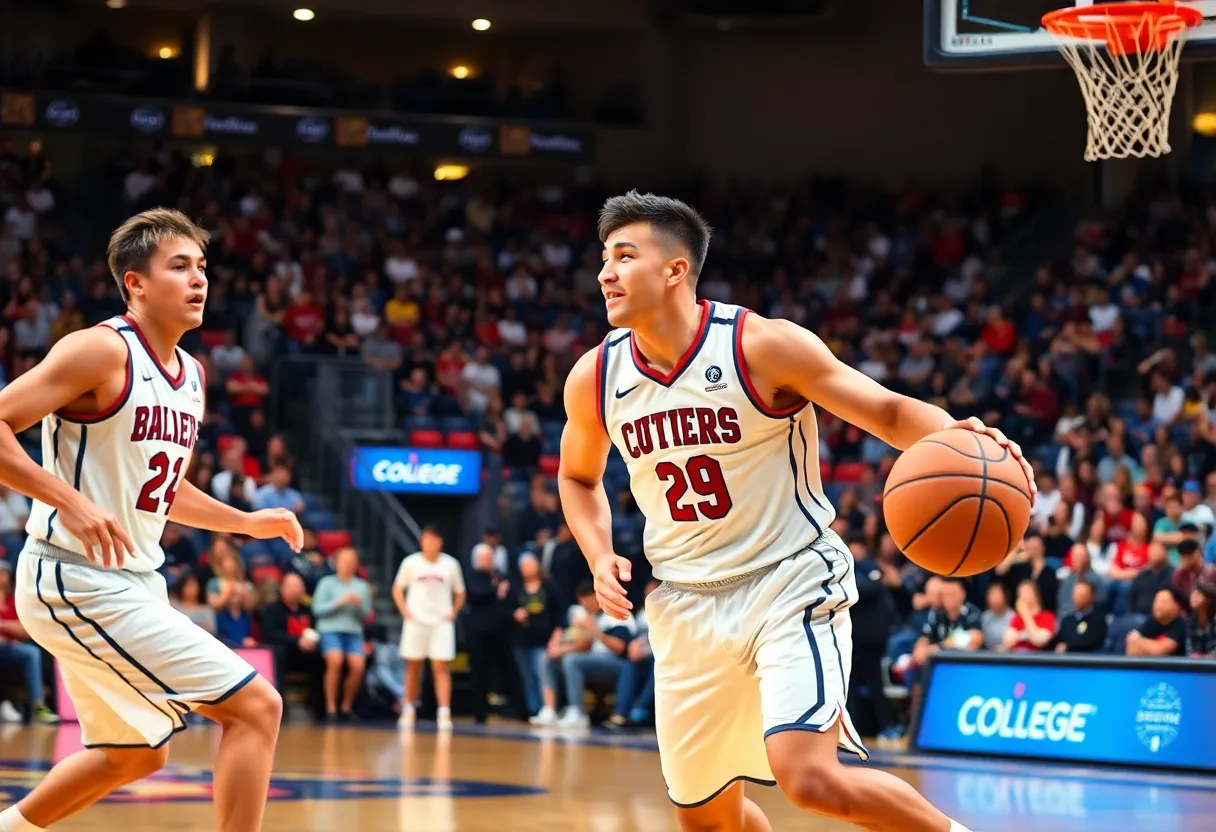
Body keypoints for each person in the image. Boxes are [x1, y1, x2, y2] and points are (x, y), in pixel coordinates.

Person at [557, 192, 1034, 832]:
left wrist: (960, 437)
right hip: (683, 600)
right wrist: (597, 553)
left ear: (674, 270)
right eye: (603, 259)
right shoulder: (594, 376)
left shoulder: (761, 346)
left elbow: (888, 412)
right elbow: (577, 475)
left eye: (623, 256)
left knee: (808, 776)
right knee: (706, 819)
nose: (605, 274)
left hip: (788, 579)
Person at [0, 208, 301, 832]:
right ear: (135, 283)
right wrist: (71, 501)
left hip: (132, 580)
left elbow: (160, 488)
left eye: (203, 268)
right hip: (72, 576)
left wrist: (244, 522)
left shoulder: (191, 374)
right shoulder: (99, 349)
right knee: (256, 707)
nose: (199, 281)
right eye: (180, 266)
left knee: (133, 754)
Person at [391, 526, 465, 731]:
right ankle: (408, 709)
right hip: (416, 620)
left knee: (441, 667)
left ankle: (444, 712)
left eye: (432, 539)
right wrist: (405, 611)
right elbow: (397, 589)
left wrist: (453, 611)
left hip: (441, 622)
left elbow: (460, 592)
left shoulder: (451, 564)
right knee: (413, 666)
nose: (428, 543)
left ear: (439, 542)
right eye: (425, 539)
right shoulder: (411, 563)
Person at [312, 547, 371, 721]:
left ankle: (346, 705)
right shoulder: (326, 583)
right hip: (330, 629)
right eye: (344, 561)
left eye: (352, 561)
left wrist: (359, 605)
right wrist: (339, 603)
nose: (348, 565)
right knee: (335, 661)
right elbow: (317, 609)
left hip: (353, 631)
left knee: (358, 666)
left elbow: (366, 615)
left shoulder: (362, 586)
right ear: (336, 563)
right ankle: (331, 708)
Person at [0, 563, 58, 724]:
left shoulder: (15, 600)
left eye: (4, 573)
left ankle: (38, 707)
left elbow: (25, 630)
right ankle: (5, 703)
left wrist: (3, 625)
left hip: (12, 647)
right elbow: (17, 627)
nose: (2, 577)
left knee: (32, 652)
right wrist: (11, 627)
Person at [1051, 579, 1108, 654]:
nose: (1077, 598)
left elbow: (1090, 641)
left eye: (1081, 595)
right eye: (1075, 594)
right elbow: (1059, 640)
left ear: (1091, 597)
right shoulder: (1067, 620)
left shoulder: (1098, 619)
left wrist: (1068, 647)